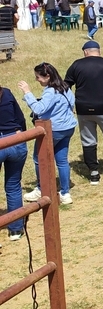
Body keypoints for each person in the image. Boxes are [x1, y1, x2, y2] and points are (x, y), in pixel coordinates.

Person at [64, 41, 103, 184]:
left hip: (83, 108)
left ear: (85, 52)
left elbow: (65, 86)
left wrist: (70, 105)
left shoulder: (76, 64)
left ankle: (93, 174)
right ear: (98, 50)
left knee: (88, 140)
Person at [19, 63, 78, 205]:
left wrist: (27, 92)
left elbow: (39, 109)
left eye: (38, 77)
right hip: (68, 128)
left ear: (47, 76)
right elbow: (71, 104)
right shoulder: (65, 87)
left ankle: (42, 188)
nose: (37, 80)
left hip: (54, 129)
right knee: (62, 160)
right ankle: (65, 193)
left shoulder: (50, 91)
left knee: (39, 159)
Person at [0, 80, 27, 240]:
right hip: (15, 141)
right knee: (13, 186)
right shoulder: (7, 93)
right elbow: (20, 117)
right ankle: (16, 229)